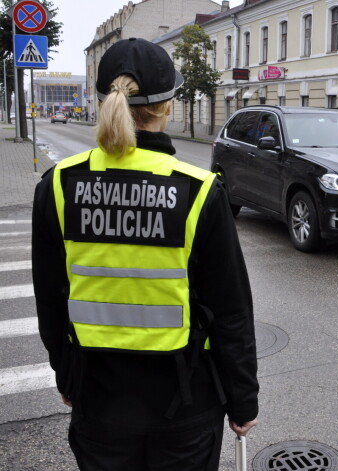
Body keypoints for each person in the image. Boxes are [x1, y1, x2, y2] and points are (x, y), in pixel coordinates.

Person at [32, 38, 259, 470]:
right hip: (186, 403)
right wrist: (242, 400)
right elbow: (230, 311)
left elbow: (50, 298)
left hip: (98, 401)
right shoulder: (198, 191)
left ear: (102, 102)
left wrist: (66, 375)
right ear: (168, 105)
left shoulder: (59, 185)